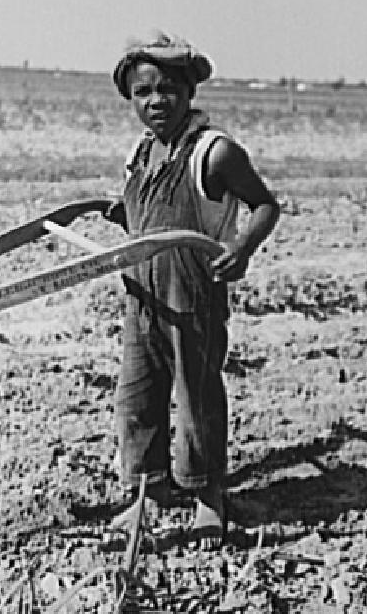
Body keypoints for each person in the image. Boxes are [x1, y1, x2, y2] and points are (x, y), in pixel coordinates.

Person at [105, 32, 280, 550]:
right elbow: (145, 213)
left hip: (192, 297)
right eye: (144, 92)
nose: (156, 101)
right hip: (143, 296)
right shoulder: (142, 152)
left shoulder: (214, 151)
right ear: (131, 97)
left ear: (188, 91)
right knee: (137, 398)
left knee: (196, 396)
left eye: (168, 89)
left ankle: (208, 496)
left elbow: (265, 205)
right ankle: (148, 489)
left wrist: (243, 247)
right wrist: (119, 213)